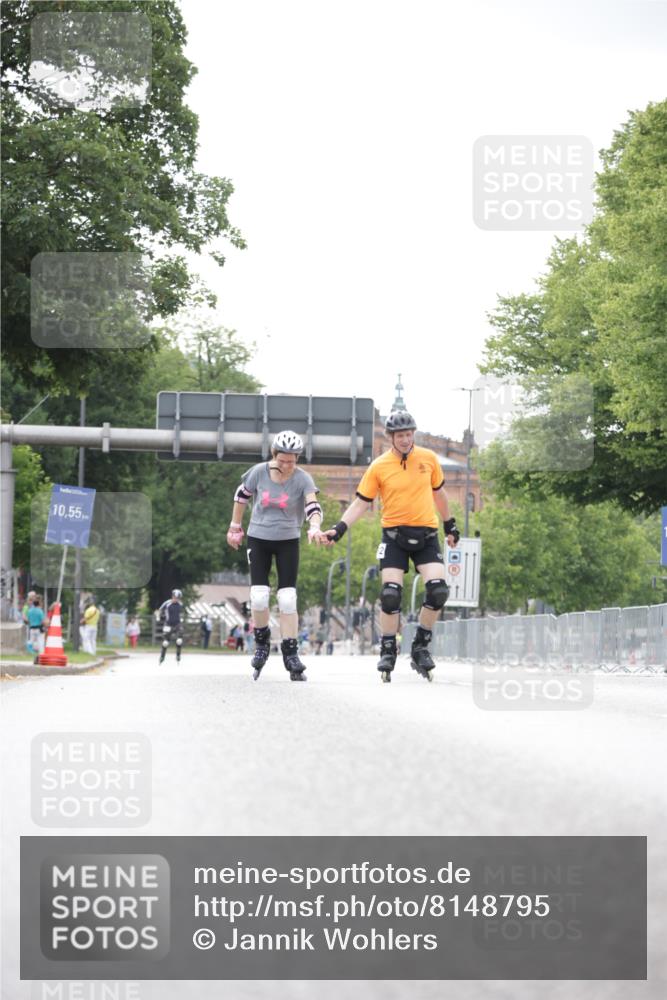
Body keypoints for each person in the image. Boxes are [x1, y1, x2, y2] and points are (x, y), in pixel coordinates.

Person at [315, 410, 459, 682]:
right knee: (391, 594)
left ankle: (420, 646)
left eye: (409, 434)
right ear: (390, 437)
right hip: (394, 537)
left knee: (438, 591)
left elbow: (439, 493)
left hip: (427, 535)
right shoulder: (379, 466)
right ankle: (388, 649)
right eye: (400, 435)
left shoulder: (428, 459)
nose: (405, 440)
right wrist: (339, 529)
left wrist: (450, 525)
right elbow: (361, 502)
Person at [226, 429, 323, 681]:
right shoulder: (258, 472)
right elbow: (241, 496)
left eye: (291, 461)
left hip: (288, 540)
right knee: (259, 596)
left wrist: (314, 526)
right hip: (258, 538)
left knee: (288, 598)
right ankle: (261, 642)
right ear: (273, 454)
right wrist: (235, 527)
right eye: (282, 460)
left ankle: (291, 653)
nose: (287, 466)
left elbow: (313, 505)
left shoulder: (303, 479)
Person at [157, 589, 184, 663]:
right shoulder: (167, 603)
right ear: (172, 596)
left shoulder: (180, 604)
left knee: (179, 640)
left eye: (178, 598)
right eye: (175, 597)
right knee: (165, 642)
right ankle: (162, 656)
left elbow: (181, 613)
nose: (176, 599)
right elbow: (159, 610)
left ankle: (178, 655)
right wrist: (159, 616)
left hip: (177, 624)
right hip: (168, 624)